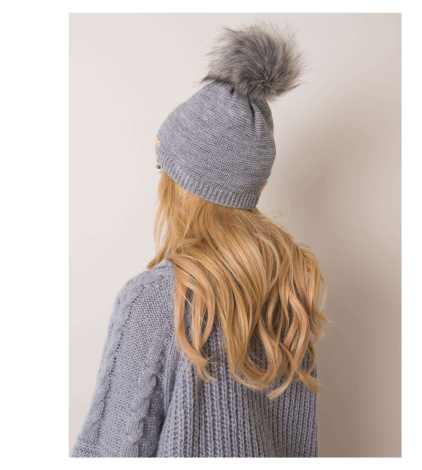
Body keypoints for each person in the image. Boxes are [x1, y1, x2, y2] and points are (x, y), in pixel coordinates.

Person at [71, 21, 330, 458]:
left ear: (181, 185)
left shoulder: (156, 301)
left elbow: (109, 454)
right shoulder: (291, 296)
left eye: (163, 169)